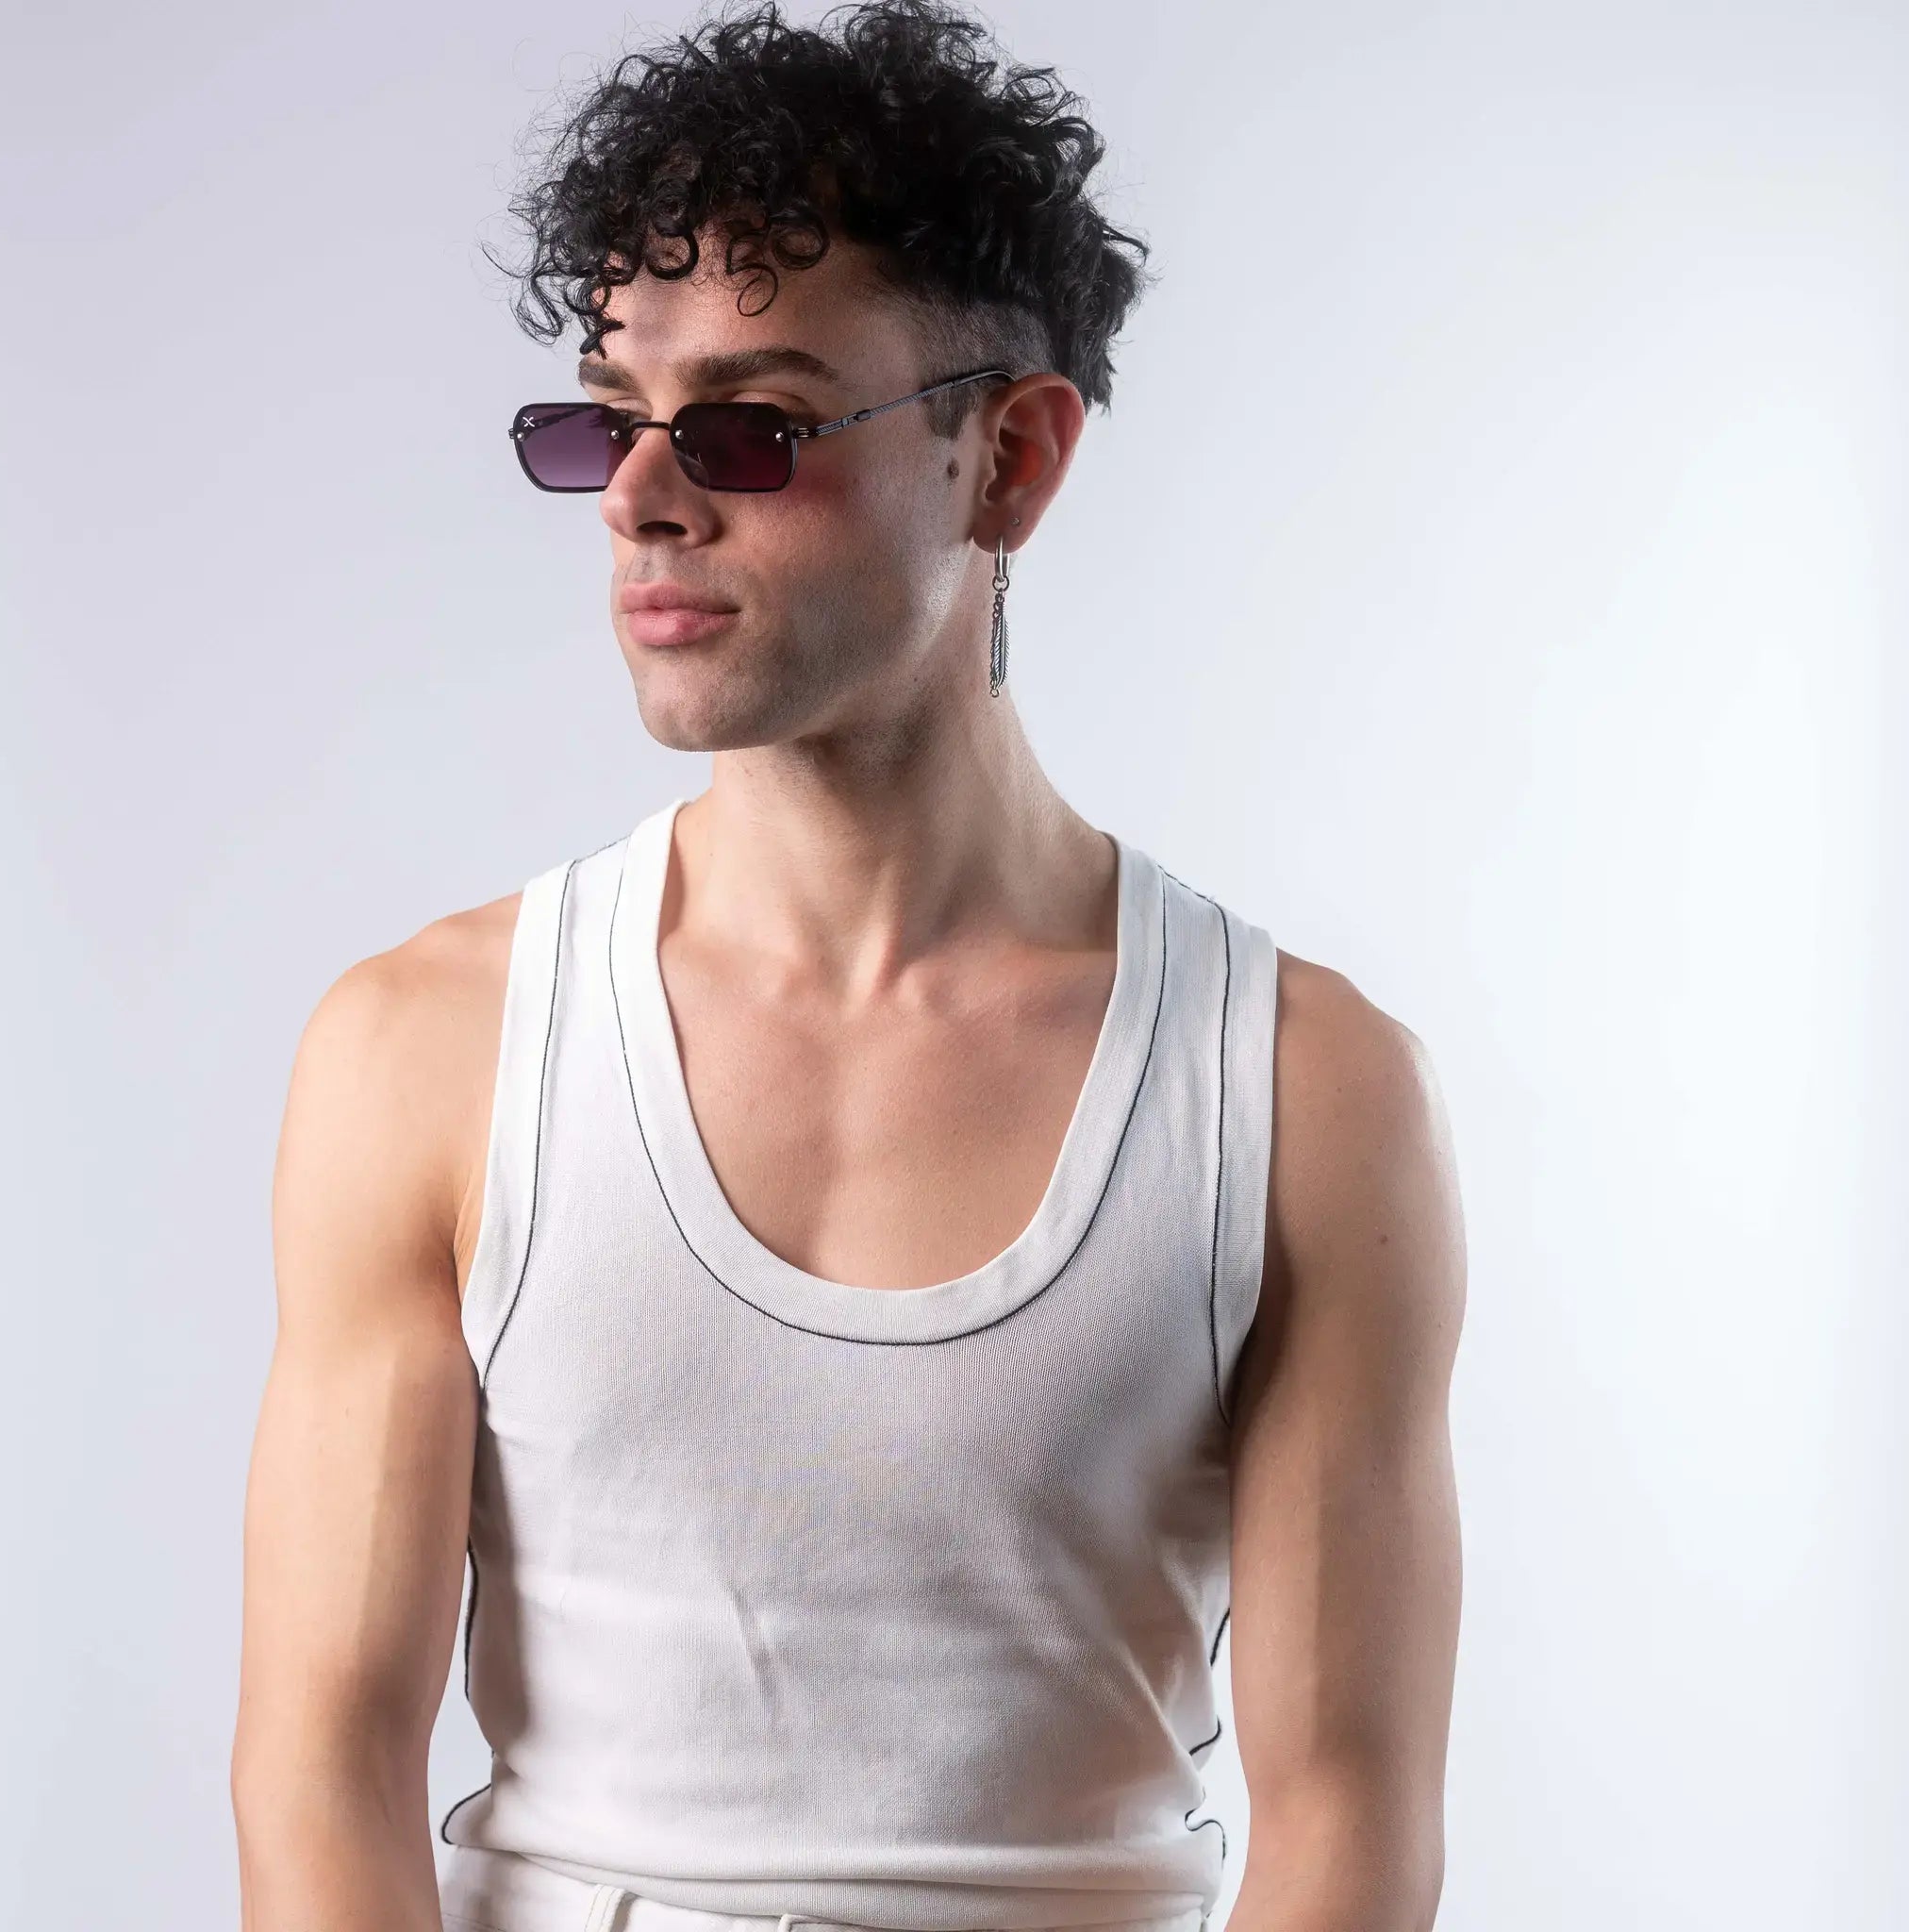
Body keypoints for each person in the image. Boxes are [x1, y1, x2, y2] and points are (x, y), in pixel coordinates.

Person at [229, 5, 1467, 1931]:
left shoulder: (1301, 1095)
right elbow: (320, 1767)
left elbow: (1347, 1820)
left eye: (752, 425)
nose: (645, 495)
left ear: (1009, 459)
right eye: (607, 417)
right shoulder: (426, 1049)